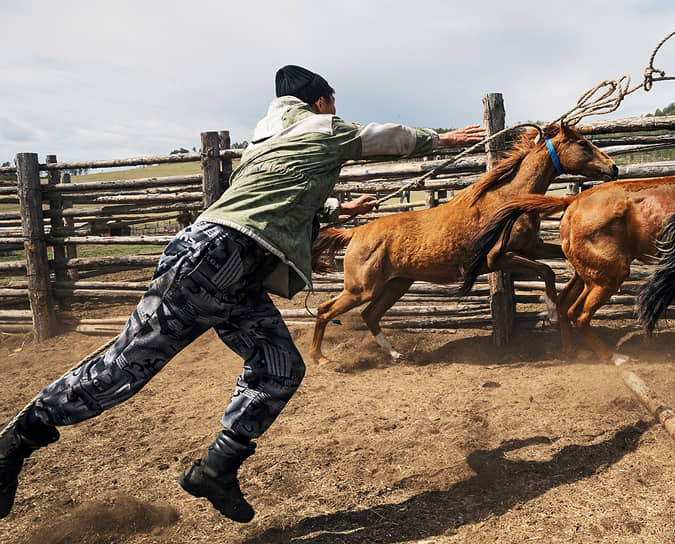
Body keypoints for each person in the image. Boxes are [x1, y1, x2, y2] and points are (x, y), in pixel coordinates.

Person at [0, 65, 485, 523]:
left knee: (280, 367)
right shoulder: (323, 128)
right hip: (214, 260)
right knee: (125, 367)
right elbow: (382, 137)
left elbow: (271, 194)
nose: (336, 110)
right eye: (332, 102)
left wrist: (336, 205)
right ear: (320, 100)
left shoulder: (267, 141)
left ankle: (216, 470)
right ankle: (14, 444)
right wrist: (439, 139)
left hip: (236, 272)